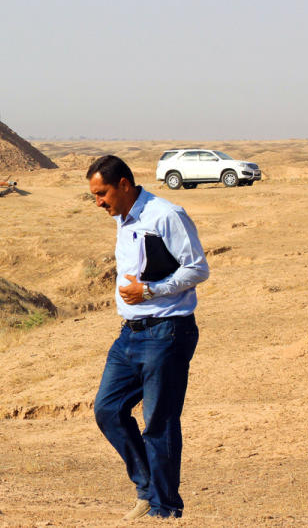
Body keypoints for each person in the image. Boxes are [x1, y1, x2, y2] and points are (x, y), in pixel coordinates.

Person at [86, 155, 209, 521]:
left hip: (167, 331)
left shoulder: (166, 215)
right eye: (94, 196)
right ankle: (147, 488)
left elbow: (197, 268)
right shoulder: (123, 218)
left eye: (102, 193)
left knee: (158, 421)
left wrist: (151, 292)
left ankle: (164, 508)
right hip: (130, 334)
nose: (99, 203)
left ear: (124, 184)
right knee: (107, 409)